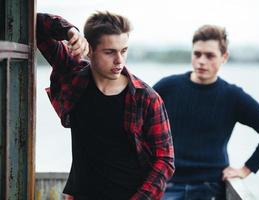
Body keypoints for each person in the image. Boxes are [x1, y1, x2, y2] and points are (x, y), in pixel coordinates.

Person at [37, 12, 174, 200]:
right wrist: (70, 31)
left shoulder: (146, 98)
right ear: (90, 50)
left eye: (124, 51)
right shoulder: (73, 74)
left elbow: (165, 160)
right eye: (110, 52)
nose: (119, 60)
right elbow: (35, 25)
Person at [153, 25, 259, 200]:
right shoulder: (168, 87)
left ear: (224, 57)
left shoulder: (232, 96)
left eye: (210, 56)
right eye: (197, 54)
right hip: (167, 185)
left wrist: (245, 170)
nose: (201, 61)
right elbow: (137, 126)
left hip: (210, 187)